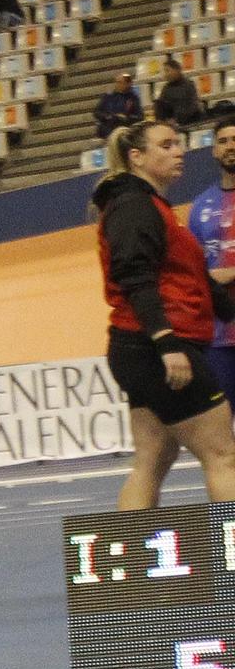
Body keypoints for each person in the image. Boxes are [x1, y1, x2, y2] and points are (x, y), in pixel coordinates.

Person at [94, 121, 235, 508]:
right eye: (166, 145)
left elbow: (184, 273)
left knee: (152, 460)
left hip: (141, 349)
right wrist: (166, 343)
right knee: (223, 455)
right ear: (136, 157)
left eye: (179, 144)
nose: (179, 151)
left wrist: (225, 309)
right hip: (158, 348)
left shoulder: (150, 206)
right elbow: (135, 278)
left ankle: (136, 564)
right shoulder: (133, 206)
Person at [186, 115, 235, 406]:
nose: (231, 146)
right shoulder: (200, 205)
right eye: (223, 141)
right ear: (214, 150)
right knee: (221, 433)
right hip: (218, 337)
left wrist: (228, 273)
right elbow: (192, 268)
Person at [154, 56, 204, 130]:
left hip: (190, 121)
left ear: (177, 70)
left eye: (168, 70)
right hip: (172, 124)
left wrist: (177, 120)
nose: (166, 74)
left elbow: (192, 106)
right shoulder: (166, 88)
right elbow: (162, 107)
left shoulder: (189, 85)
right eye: (165, 71)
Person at [94, 73, 145, 140]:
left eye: (120, 82)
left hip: (124, 132)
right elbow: (97, 112)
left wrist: (126, 118)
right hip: (108, 131)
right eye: (117, 82)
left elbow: (139, 117)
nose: (117, 85)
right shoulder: (108, 97)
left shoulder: (133, 98)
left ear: (128, 84)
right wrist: (109, 116)